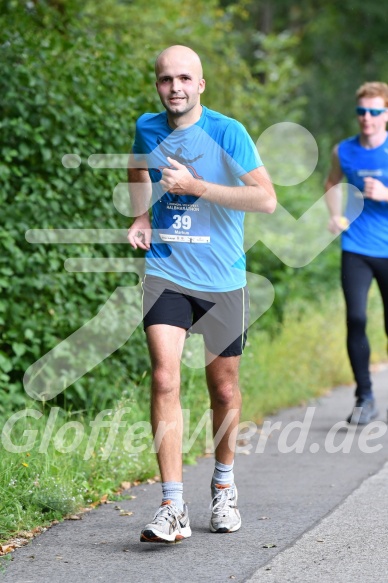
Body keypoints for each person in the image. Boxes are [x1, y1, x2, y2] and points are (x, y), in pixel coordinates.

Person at [127, 45, 276, 543]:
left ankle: (223, 484)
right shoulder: (147, 128)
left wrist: (198, 186)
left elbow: (266, 199)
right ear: (158, 85)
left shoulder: (227, 132)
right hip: (167, 271)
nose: (176, 88)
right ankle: (172, 505)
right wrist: (141, 213)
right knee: (165, 377)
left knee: (224, 391)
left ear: (201, 85)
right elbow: (135, 171)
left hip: (221, 279)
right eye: (167, 79)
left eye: (185, 78)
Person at [325, 81, 388, 425]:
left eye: (375, 111)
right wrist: (335, 215)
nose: (367, 118)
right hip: (357, 247)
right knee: (357, 319)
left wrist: (386, 193)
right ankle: (364, 396)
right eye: (362, 111)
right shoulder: (344, 151)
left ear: (386, 115)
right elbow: (331, 182)